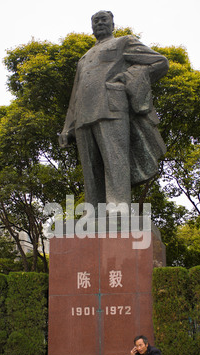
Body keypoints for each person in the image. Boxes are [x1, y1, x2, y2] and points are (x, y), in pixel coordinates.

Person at [59, 10, 169, 215]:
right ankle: (93, 211)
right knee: (90, 168)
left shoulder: (123, 42)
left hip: (112, 107)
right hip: (83, 115)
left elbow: (160, 62)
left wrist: (127, 78)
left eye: (104, 20)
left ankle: (118, 207)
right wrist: (68, 127)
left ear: (112, 24)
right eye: (95, 21)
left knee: (114, 158)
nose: (99, 23)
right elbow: (75, 94)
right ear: (91, 27)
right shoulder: (83, 58)